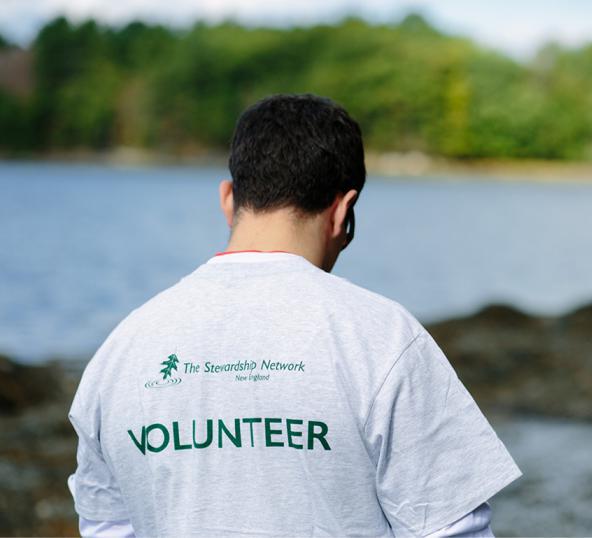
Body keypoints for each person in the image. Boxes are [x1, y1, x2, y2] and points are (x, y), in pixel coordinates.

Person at [67, 93, 522, 537]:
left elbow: (105, 525)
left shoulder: (122, 349)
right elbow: (448, 528)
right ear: (343, 212)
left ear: (228, 199)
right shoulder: (383, 337)